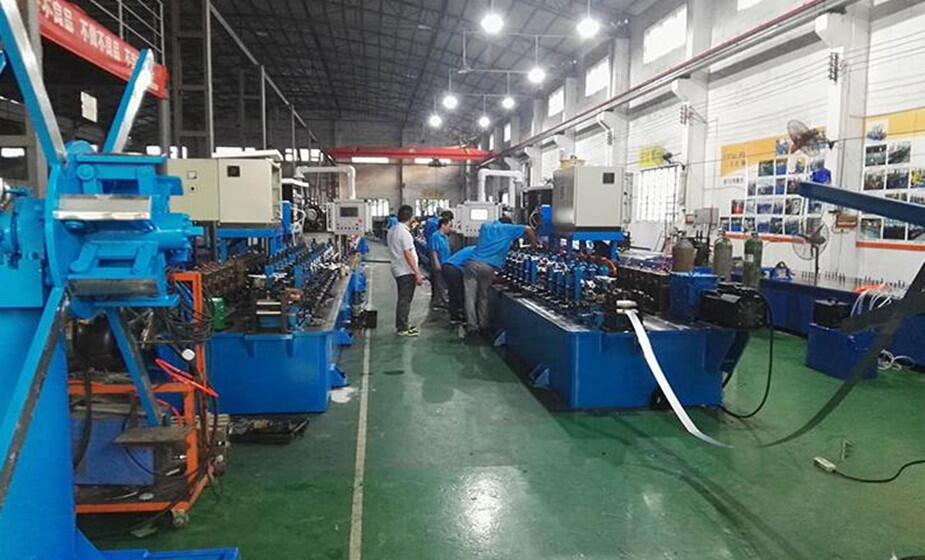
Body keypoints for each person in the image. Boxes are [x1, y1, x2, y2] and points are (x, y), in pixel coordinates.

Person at [464, 216, 537, 336]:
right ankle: (483, 325)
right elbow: (528, 229)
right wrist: (534, 245)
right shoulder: (508, 229)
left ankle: (472, 326)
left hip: (471, 264)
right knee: (483, 296)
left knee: (470, 297)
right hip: (488, 267)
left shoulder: (485, 227)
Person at [387, 205, 423, 337]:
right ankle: (402, 327)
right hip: (405, 270)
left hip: (398, 268)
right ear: (410, 217)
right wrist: (417, 273)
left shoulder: (393, 229)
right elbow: (408, 254)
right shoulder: (404, 233)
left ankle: (404, 324)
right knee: (405, 299)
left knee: (403, 298)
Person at [442, 245, 475, 325]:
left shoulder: (470, 248)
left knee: (453, 293)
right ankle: (463, 316)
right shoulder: (477, 252)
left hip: (446, 266)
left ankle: (454, 317)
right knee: (460, 293)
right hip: (454, 269)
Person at [429, 217, 453, 309]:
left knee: (442, 282)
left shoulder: (445, 237)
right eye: (449, 226)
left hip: (446, 262)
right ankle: (443, 301)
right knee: (439, 282)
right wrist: (436, 262)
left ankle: (441, 300)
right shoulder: (435, 236)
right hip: (439, 262)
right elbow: (434, 251)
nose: (450, 228)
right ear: (443, 225)